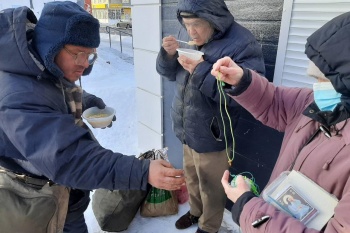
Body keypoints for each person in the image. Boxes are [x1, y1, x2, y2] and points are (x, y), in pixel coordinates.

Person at [0, 1, 185, 233]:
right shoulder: (19, 94)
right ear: (50, 46)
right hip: (37, 203)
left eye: (90, 55)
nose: (83, 65)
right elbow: (68, 158)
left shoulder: (40, 64)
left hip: (67, 197)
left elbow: (53, 87)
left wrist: (86, 100)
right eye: (78, 54)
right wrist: (142, 171)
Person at [213, 11, 350, 233]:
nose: (317, 87)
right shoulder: (311, 102)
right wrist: (242, 80)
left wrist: (248, 207)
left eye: (326, 79)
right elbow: (274, 101)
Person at [156, 0, 265, 232]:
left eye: (196, 24)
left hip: (214, 134)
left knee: (212, 187)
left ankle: (209, 226)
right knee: (192, 178)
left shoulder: (242, 43)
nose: (190, 31)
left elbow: (245, 95)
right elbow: (167, 73)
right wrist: (167, 54)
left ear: (213, 21)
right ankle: (195, 212)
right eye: (186, 24)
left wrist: (201, 69)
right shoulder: (191, 35)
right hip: (187, 127)